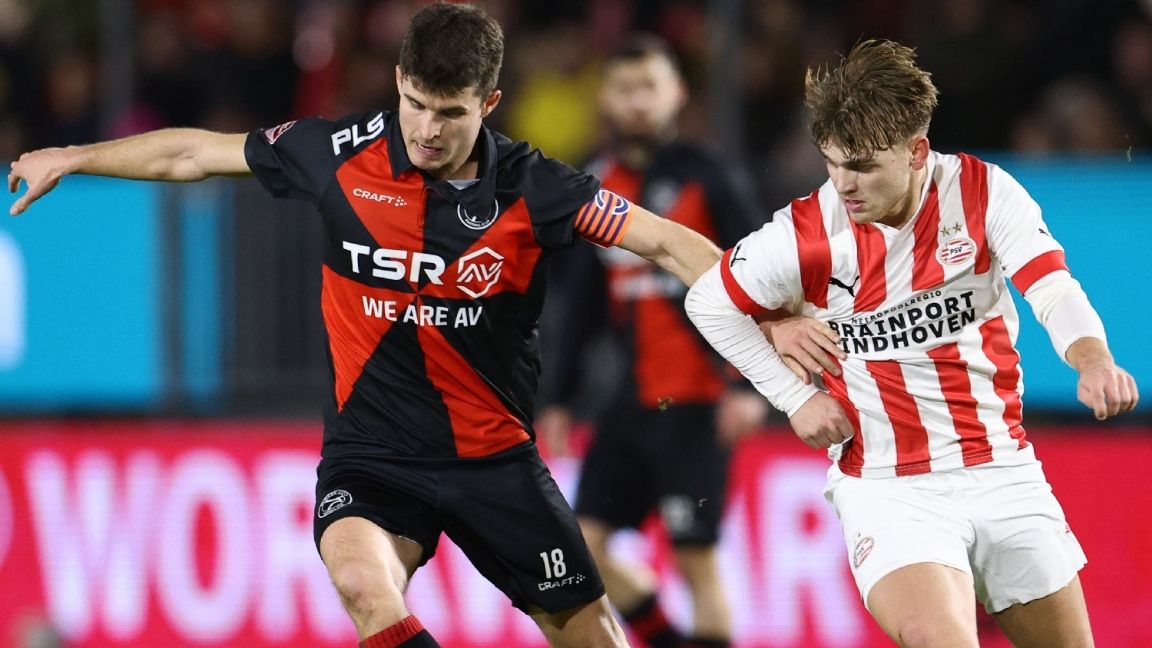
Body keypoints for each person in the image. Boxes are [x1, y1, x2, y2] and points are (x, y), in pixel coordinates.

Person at [6, 4, 729, 647]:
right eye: (416, 104)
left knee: (593, 637)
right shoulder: (335, 151)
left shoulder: (534, 186)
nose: (427, 130)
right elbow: (194, 153)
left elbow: (669, 243)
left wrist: (772, 321)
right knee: (362, 584)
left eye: (450, 113)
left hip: (493, 460)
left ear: (489, 102)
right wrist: (75, 157)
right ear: (398, 80)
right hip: (372, 456)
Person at [685, 39, 1139, 648]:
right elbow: (709, 302)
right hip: (888, 486)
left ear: (917, 151)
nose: (844, 184)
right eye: (832, 163)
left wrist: (1093, 360)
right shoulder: (806, 234)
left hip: (1002, 467)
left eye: (863, 166)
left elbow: (1052, 286)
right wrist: (793, 397)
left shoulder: (983, 193)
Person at [536, 34, 766, 648]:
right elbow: (582, 307)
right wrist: (559, 399)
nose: (638, 102)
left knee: (695, 560)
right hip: (629, 403)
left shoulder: (711, 177)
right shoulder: (593, 185)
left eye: (650, 87)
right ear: (605, 98)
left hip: (697, 400)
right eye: (624, 89)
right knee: (581, 547)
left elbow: (761, 283)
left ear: (678, 93)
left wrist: (749, 387)